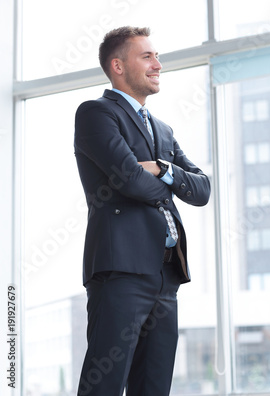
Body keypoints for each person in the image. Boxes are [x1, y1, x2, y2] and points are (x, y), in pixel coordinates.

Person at [74, 26, 211, 396]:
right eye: (147, 56)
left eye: (157, 56)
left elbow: (202, 190)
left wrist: (163, 168)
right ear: (117, 66)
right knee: (104, 384)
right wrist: (161, 180)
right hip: (121, 270)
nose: (158, 64)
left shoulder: (163, 130)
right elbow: (130, 181)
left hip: (166, 274)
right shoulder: (96, 113)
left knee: (154, 387)